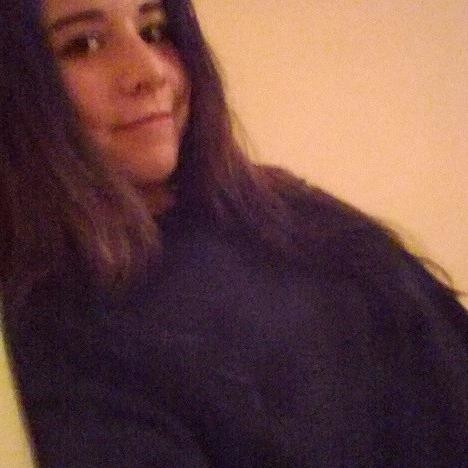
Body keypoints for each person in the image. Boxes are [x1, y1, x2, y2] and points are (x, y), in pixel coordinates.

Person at [1, 0, 466, 466]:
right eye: (84, 44)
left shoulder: (283, 206)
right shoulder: (61, 335)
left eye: (155, 30)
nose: (150, 73)